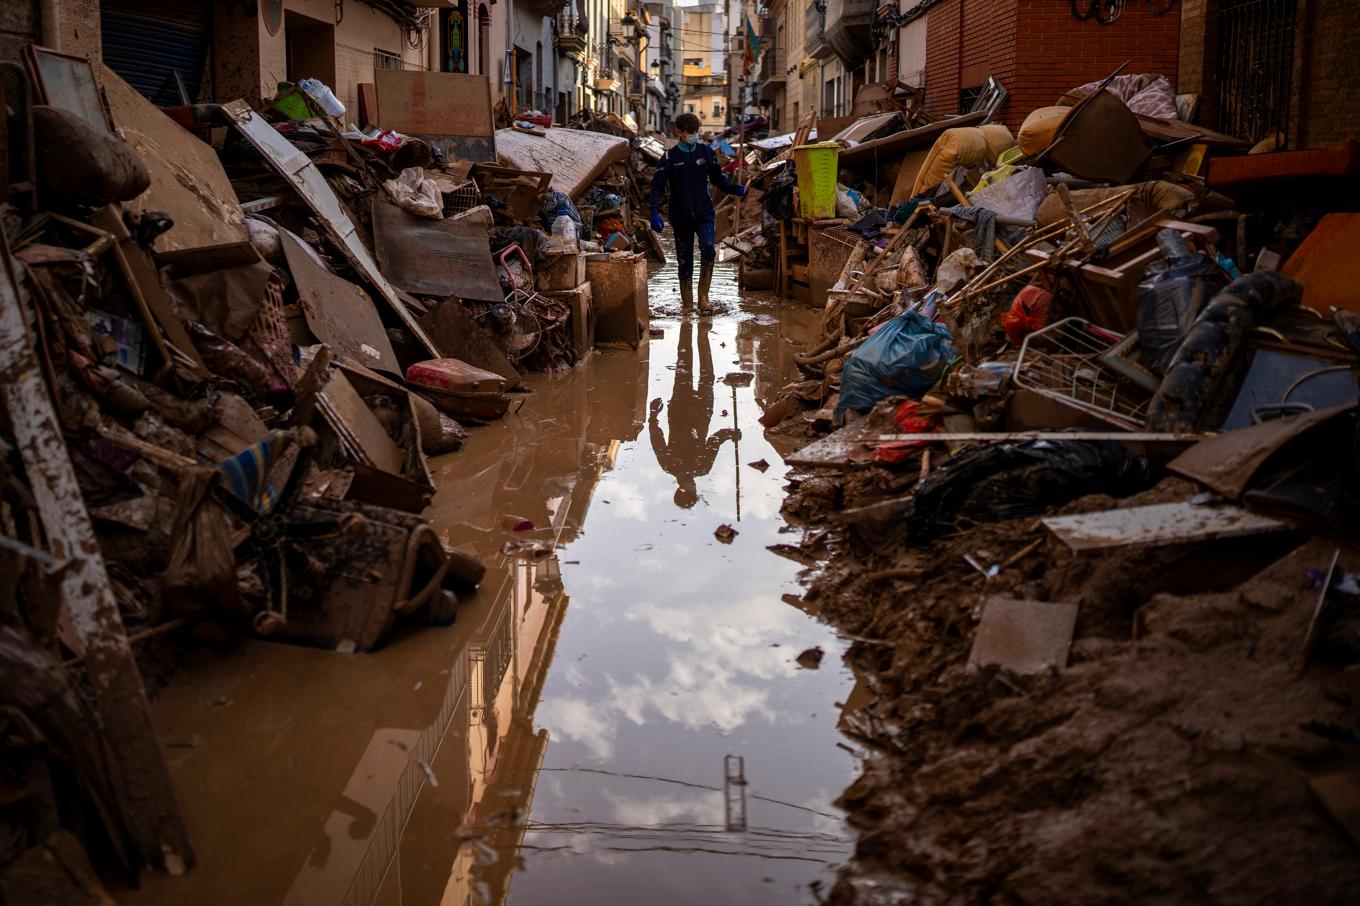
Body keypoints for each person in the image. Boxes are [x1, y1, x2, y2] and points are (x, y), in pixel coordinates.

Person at [649, 112, 746, 313]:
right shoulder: (669, 157)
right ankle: (686, 303)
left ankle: (703, 298)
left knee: (708, 247)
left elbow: (719, 180)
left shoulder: (706, 152)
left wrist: (735, 188)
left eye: (696, 131)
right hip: (680, 216)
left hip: (704, 213)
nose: (694, 135)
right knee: (684, 258)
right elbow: (657, 186)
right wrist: (654, 212)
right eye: (689, 132)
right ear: (679, 133)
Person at [649, 318, 739, 507]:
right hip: (692, 411)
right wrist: (729, 433)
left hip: (689, 410)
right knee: (690, 367)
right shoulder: (689, 467)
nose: (693, 487)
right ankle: (697, 330)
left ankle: (692, 327)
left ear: (687, 490)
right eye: (693, 490)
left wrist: (653, 416)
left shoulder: (682, 466)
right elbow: (714, 440)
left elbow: (657, 438)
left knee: (690, 366)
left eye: (692, 491)